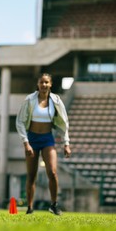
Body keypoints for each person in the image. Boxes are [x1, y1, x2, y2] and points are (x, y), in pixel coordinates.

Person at [16, 73, 71, 215]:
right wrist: (26, 143)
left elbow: (64, 122)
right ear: (38, 84)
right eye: (41, 82)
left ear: (50, 84)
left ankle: (53, 205)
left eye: (46, 82)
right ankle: (29, 207)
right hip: (32, 139)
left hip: (48, 139)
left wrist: (66, 143)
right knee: (31, 175)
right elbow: (20, 122)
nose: (44, 85)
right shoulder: (29, 100)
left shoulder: (56, 101)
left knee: (52, 172)